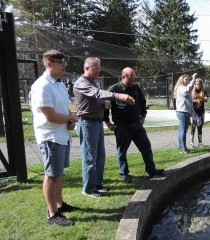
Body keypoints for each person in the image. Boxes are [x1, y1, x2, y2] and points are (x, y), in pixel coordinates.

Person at [30, 49, 79, 226]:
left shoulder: (59, 85)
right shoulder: (41, 86)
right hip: (50, 136)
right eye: (61, 63)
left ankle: (60, 204)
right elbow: (50, 115)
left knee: (58, 173)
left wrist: (70, 121)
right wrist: (70, 118)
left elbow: (64, 110)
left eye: (65, 63)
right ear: (49, 63)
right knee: (51, 175)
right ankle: (52, 215)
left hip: (62, 135)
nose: (65, 66)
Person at [73, 58, 135, 197]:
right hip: (87, 123)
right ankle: (88, 189)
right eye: (97, 68)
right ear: (87, 67)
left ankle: (97, 185)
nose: (99, 71)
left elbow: (98, 98)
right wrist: (120, 96)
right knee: (89, 158)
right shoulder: (81, 83)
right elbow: (97, 93)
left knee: (100, 157)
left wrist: (104, 104)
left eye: (99, 68)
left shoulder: (92, 83)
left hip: (97, 123)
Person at [104, 67, 164, 183]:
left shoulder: (135, 87)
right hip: (121, 126)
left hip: (136, 125)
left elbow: (142, 102)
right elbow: (105, 107)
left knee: (146, 147)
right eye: (130, 78)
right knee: (122, 151)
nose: (132, 80)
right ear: (123, 76)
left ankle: (151, 170)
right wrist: (108, 123)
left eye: (133, 78)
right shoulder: (114, 89)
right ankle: (124, 173)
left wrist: (143, 116)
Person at [174, 73, 197, 154]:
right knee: (183, 131)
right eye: (186, 79)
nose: (187, 81)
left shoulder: (184, 88)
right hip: (182, 112)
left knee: (182, 130)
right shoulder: (181, 88)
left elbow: (188, 98)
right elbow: (188, 90)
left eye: (188, 79)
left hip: (185, 112)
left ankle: (181, 147)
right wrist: (193, 79)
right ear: (182, 80)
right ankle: (183, 148)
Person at [190, 78, 208, 148]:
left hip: (200, 113)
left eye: (200, 84)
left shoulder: (203, 91)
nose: (198, 85)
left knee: (199, 127)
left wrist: (200, 97)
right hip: (194, 112)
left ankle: (200, 143)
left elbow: (206, 100)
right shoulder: (192, 91)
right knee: (193, 127)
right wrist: (195, 98)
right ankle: (192, 142)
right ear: (195, 84)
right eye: (197, 84)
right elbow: (190, 100)